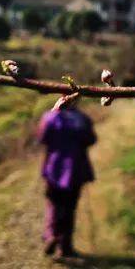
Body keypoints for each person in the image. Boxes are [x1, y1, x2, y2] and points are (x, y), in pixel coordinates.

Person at [36, 94, 97, 259]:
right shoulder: (82, 119)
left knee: (53, 204)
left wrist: (54, 112)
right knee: (69, 208)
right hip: (76, 169)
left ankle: (52, 235)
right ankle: (65, 246)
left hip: (54, 169)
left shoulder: (50, 117)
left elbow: (42, 138)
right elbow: (91, 140)